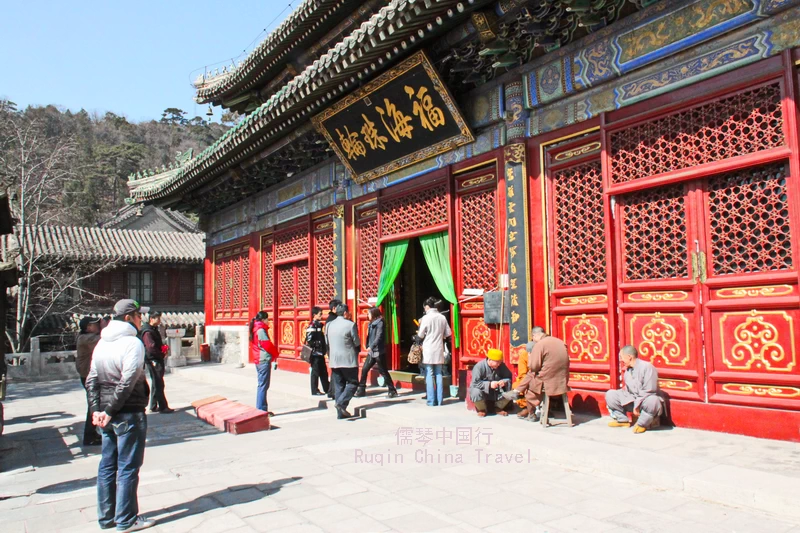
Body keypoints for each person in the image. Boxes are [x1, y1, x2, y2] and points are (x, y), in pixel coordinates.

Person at [86, 299, 154, 532]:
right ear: (128, 318)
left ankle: (106, 519)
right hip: (128, 412)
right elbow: (127, 382)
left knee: (107, 466)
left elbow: (92, 379)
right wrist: (107, 410)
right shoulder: (132, 343)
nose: (140, 319)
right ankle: (126, 519)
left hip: (108, 414)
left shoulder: (102, 343)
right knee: (127, 467)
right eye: (137, 315)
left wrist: (97, 410)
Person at [502, 327, 570, 421]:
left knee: (531, 381)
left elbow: (533, 366)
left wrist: (531, 358)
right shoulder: (560, 342)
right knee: (532, 375)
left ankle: (531, 413)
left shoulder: (540, 344)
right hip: (562, 380)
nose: (533, 340)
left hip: (548, 382)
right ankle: (517, 392)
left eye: (533, 337)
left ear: (535, 335)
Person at [605, 345, 664, 434]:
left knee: (653, 400)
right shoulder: (627, 371)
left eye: (621, 357)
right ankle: (622, 420)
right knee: (611, 394)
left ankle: (642, 424)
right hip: (633, 400)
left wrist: (637, 404)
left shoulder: (647, 367)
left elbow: (649, 390)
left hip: (645, 401)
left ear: (629, 357)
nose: (620, 360)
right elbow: (627, 390)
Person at [326, 303, 361, 419]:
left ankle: (340, 413)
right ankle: (341, 403)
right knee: (353, 383)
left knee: (339, 385)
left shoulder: (329, 325)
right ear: (345, 313)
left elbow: (327, 342)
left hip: (334, 360)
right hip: (348, 360)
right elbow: (356, 342)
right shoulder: (350, 325)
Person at [356, 307, 398, 399]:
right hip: (372, 352)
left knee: (383, 371)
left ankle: (392, 390)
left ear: (374, 314)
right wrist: (368, 345)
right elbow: (369, 336)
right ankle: (361, 389)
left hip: (379, 351)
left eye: (369, 313)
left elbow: (379, 336)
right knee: (364, 369)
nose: (368, 315)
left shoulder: (380, 323)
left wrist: (372, 346)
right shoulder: (371, 324)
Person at [417, 296, 452, 407]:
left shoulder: (426, 318)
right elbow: (448, 333)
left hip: (428, 348)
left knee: (429, 374)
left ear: (427, 306)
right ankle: (440, 400)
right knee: (438, 374)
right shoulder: (442, 317)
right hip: (439, 348)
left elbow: (420, 334)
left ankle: (431, 401)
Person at [139, 312, 173, 414]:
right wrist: (160, 354)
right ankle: (163, 406)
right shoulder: (147, 331)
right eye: (157, 318)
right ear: (151, 319)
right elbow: (151, 347)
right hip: (153, 359)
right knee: (159, 382)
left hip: (155, 357)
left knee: (156, 382)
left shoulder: (153, 329)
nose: (159, 321)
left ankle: (153, 406)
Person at [76, 316, 102, 445]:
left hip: (88, 374)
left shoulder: (86, 337)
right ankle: (90, 436)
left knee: (95, 403)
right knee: (94, 404)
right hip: (87, 375)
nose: (97, 326)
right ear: (88, 327)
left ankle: (92, 433)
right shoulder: (85, 338)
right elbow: (103, 340)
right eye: (94, 324)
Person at [469, 348, 513, 417]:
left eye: (500, 362)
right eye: (497, 362)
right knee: (475, 392)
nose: (499, 364)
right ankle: (482, 409)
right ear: (489, 360)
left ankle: (498, 408)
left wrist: (504, 382)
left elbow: (508, 377)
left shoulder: (501, 366)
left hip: (497, 393)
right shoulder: (479, 367)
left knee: (512, 393)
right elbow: (475, 382)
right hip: (484, 393)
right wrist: (489, 385)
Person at [249, 311, 278, 414]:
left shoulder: (256, 328)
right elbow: (267, 345)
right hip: (263, 360)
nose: (268, 321)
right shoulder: (260, 330)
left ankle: (263, 408)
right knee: (263, 385)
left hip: (259, 359)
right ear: (263, 320)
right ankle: (261, 409)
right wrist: (275, 353)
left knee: (263, 385)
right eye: (267, 319)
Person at [305, 306, 330, 396]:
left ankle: (327, 388)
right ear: (314, 315)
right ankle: (314, 390)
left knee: (323, 371)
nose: (321, 316)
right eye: (320, 314)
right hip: (315, 353)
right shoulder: (312, 326)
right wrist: (318, 344)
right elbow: (309, 339)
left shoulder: (318, 325)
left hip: (320, 353)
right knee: (315, 372)